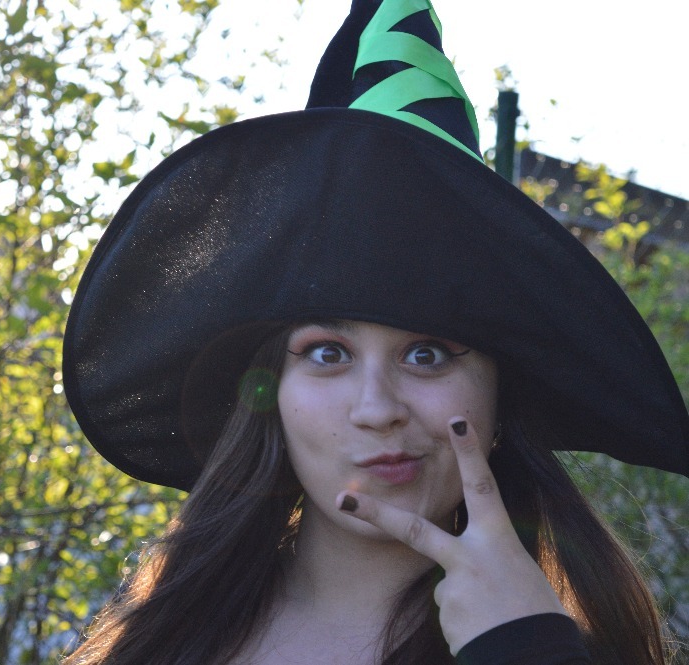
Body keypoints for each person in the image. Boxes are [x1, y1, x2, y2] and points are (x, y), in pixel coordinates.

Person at [61, 0, 689, 663]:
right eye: (328, 353)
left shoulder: (571, 651)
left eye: (427, 354)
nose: (377, 408)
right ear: (271, 394)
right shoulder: (161, 640)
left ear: (499, 398)